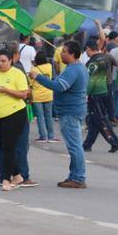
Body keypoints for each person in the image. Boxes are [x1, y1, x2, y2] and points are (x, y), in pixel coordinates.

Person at [30, 40, 89, 189]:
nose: (61, 53)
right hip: (73, 110)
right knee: (74, 146)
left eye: (64, 51)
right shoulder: (76, 68)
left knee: (74, 146)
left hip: (70, 111)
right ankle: (74, 175)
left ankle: (79, 177)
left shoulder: (73, 69)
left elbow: (59, 86)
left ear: (72, 54)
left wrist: (38, 77)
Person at [0, 49, 30, 192]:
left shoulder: (17, 74)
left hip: (14, 113)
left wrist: (6, 90)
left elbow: (24, 94)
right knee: (3, 147)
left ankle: (6, 178)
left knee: (9, 148)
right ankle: (17, 175)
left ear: (11, 61)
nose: (0, 64)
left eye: (3, 61)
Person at [83, 40, 118, 154]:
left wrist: (86, 93)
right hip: (104, 90)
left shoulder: (92, 62)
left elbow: (91, 80)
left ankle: (115, 142)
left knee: (100, 120)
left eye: (87, 50)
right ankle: (87, 144)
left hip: (95, 93)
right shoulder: (105, 58)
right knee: (93, 120)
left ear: (89, 49)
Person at [30, 50, 56, 143]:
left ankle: (43, 136)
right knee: (49, 116)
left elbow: (30, 83)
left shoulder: (34, 70)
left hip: (37, 95)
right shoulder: (49, 66)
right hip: (48, 94)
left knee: (40, 117)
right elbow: (53, 77)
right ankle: (51, 136)